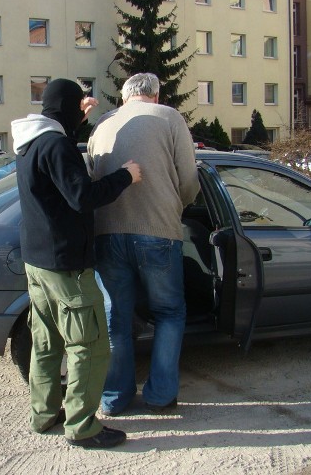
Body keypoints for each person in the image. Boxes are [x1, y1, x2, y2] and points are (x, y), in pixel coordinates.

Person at [11, 78, 142, 449]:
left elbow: (59, 159)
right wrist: (125, 176)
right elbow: (81, 196)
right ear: (68, 106)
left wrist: (79, 121)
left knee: (46, 343)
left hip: (38, 264)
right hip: (67, 265)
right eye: (78, 104)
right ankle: (83, 427)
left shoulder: (32, 141)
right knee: (90, 345)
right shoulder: (56, 146)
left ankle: (44, 413)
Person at [87, 73, 199, 416]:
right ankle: (160, 396)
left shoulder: (102, 125)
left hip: (106, 232)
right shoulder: (169, 117)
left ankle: (114, 398)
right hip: (158, 232)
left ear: (124, 98)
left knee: (116, 318)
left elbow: (91, 176)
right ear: (156, 94)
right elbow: (189, 179)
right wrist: (176, 205)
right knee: (169, 313)